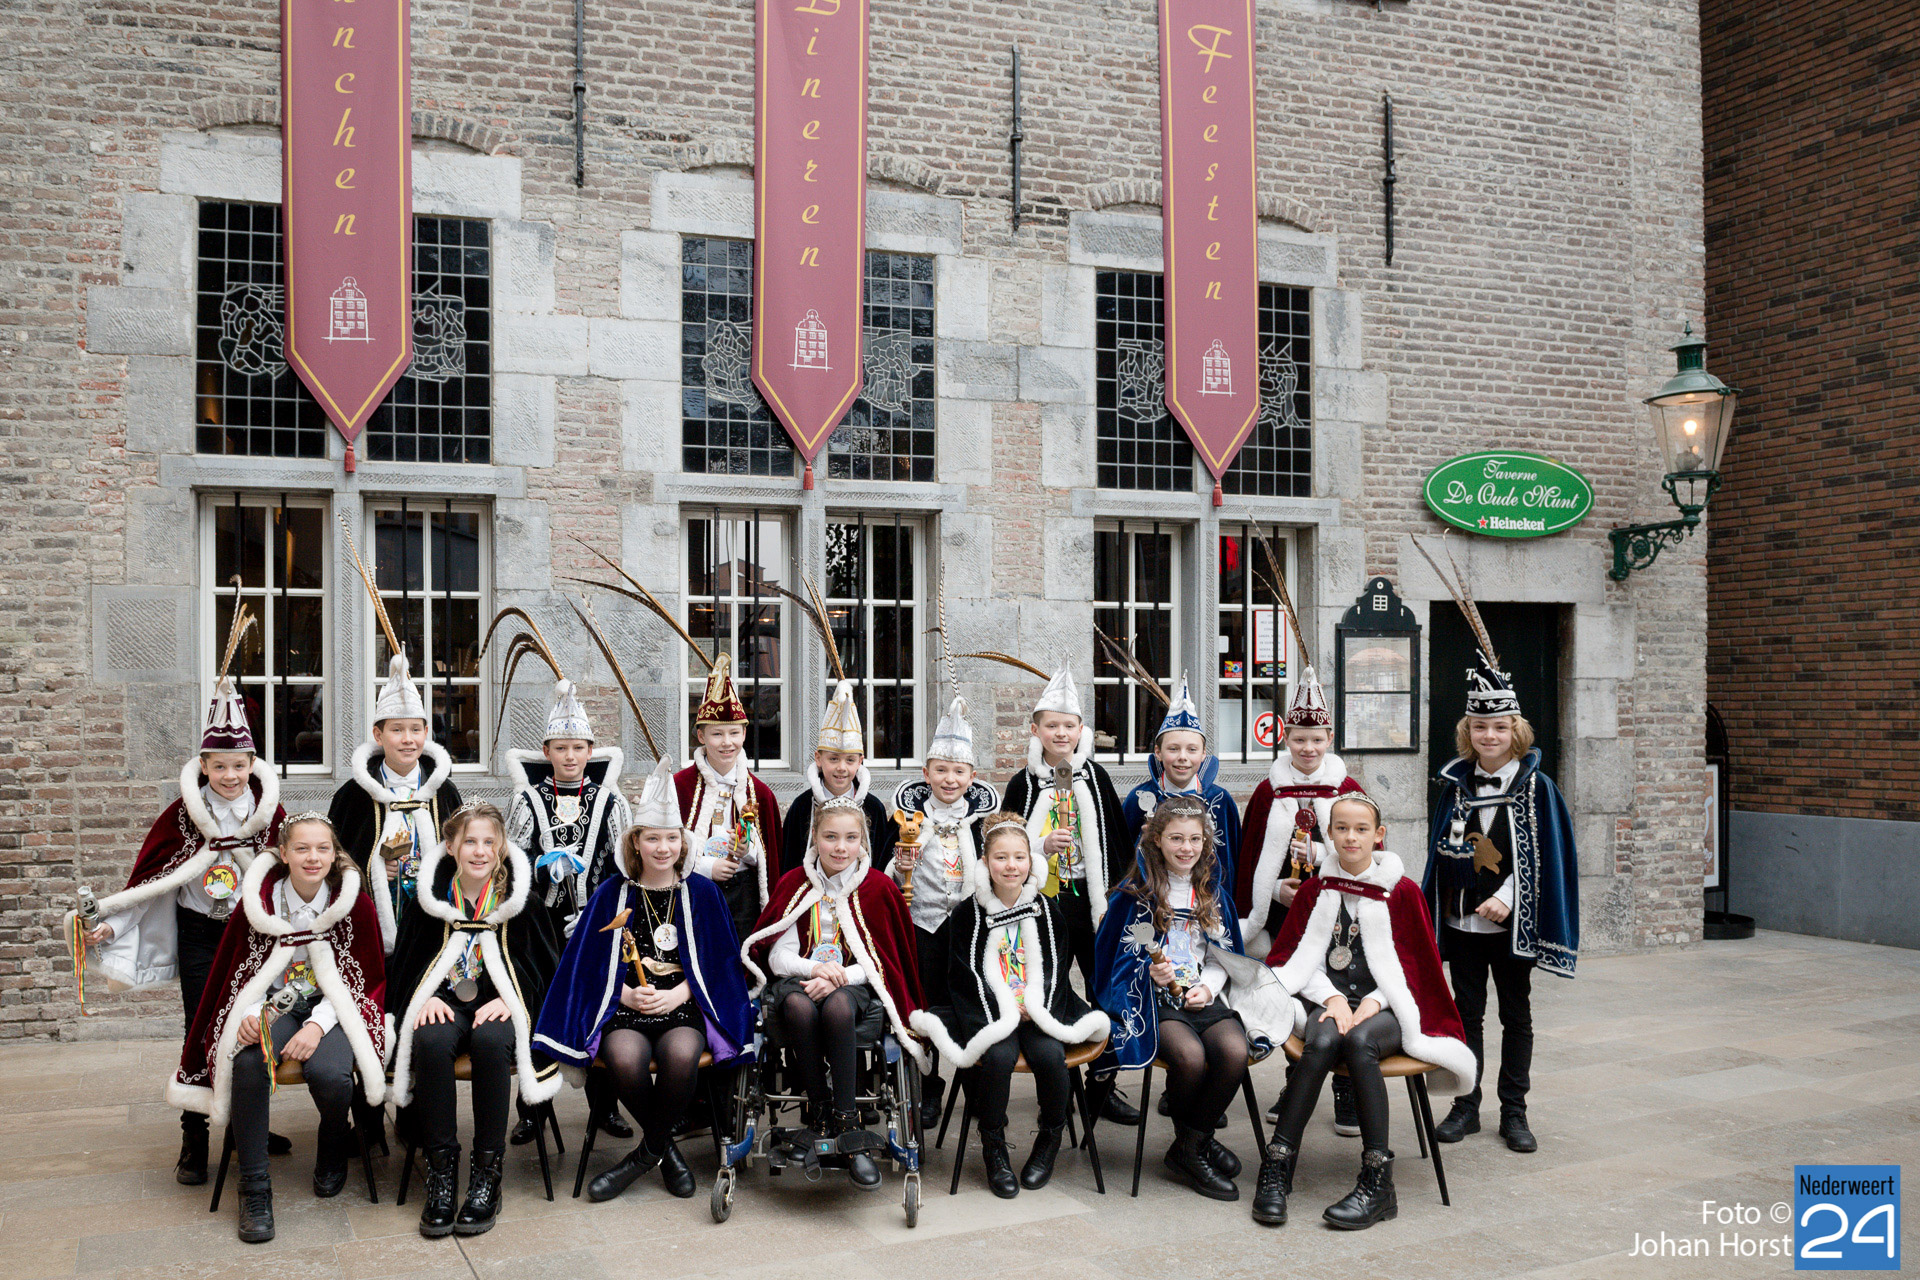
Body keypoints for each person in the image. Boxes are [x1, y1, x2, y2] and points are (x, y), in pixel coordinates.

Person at [74, 665, 286, 1186]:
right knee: (201, 1026)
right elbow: (151, 880)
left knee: (252, 1026)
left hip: (252, 937)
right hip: (200, 935)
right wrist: (111, 928)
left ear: (253, 764)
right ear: (203, 765)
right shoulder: (182, 815)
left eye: (239, 766)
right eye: (220, 767)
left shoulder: (271, 815)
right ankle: (195, 1137)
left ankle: (247, 1129)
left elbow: (291, 879)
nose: (230, 776)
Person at [534, 758, 756, 1202]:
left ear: (683, 842)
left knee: (682, 1055)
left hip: (684, 1006)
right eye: (652, 838)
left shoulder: (703, 893)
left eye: (671, 838)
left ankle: (641, 1158)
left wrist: (680, 994)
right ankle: (665, 1152)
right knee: (623, 1057)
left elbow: (721, 965)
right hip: (626, 1008)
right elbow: (585, 965)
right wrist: (624, 994)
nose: (662, 848)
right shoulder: (611, 893)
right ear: (635, 842)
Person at [1253, 793, 1474, 1229]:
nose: (1350, 837)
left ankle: (1378, 1183)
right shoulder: (1314, 890)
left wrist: (1373, 1001)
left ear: (1379, 835)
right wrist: (1331, 998)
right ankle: (1277, 1166)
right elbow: (1293, 959)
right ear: (1328, 833)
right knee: (1322, 1041)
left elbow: (1416, 967)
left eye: (1361, 829)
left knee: (1359, 1041)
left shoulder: (1403, 892)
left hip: (1388, 1006)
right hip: (1328, 1000)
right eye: (1341, 828)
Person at [169, 813, 388, 1242]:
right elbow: (238, 973)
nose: (313, 858)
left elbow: (364, 980)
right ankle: (254, 1188)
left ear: (335, 854)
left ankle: (333, 1142)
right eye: (302, 848)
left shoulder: (354, 905)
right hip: (274, 1007)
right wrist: (251, 1014)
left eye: (322, 848)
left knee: (330, 1074)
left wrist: (318, 1026)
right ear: (283, 853)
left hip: (333, 1011)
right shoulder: (258, 904)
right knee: (249, 1062)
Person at [1092, 798, 1289, 1202]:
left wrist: (1209, 987)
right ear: (1157, 841)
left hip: (1200, 993)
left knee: (1234, 1052)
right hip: (1152, 1001)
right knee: (1191, 1057)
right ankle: (1196, 1144)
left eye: (1195, 839)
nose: (1186, 848)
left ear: (1205, 842)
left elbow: (1223, 956)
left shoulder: (1212, 894)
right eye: (1176, 838)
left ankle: (1191, 1142)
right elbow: (1117, 959)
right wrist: (1149, 973)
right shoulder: (1134, 896)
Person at [1424, 651, 1579, 1155]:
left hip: (1513, 928)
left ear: (1516, 730)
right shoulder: (1454, 786)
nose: (1489, 736)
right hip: (1463, 925)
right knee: (1466, 1016)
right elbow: (1441, 853)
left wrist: (1509, 897)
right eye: (1480, 727)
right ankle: (1466, 1105)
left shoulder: (1538, 787)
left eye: (1499, 727)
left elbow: (1548, 854)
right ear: (1467, 731)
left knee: (1516, 1016)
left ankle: (1514, 1111)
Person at [387, 802, 562, 1237]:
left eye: (489, 842)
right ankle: (441, 1171)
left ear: (501, 847)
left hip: (498, 1006)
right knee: (429, 1040)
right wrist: (423, 998)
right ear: (450, 847)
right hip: (446, 1002)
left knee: (490, 1043)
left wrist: (514, 998)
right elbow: (406, 967)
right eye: (469, 842)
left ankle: (487, 1171)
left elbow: (546, 970)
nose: (480, 851)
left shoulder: (522, 903)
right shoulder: (428, 903)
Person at [910, 815, 1108, 1198]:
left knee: (1050, 1055)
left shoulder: (1048, 910)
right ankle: (993, 1145)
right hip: (988, 1009)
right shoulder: (967, 913)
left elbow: (1056, 967)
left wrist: (1036, 1002)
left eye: (1019, 857)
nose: (1011, 866)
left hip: (1038, 1009)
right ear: (985, 863)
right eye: (1001, 858)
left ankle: (1050, 1137)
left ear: (1031, 861)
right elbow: (964, 973)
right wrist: (1004, 1006)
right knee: (998, 1057)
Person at [741, 795, 928, 1190]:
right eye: (830, 837)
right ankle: (820, 1112)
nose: (840, 847)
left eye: (850, 838)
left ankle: (847, 1122)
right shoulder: (794, 883)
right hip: (799, 980)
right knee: (798, 1006)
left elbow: (884, 960)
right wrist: (815, 969)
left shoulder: (878, 888)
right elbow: (776, 955)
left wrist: (839, 976)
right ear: (815, 836)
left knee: (838, 1006)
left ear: (863, 841)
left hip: (855, 986)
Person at [1235, 664, 1367, 1136]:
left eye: (1316, 739)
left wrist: (1323, 859)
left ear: (1329, 738)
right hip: (1285, 915)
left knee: (1342, 991)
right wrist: (1275, 890)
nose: (1308, 748)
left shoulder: (1348, 791)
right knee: (1293, 995)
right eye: (1298, 739)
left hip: (1338, 914)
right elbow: (1251, 858)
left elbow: (1367, 856)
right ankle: (1296, 1080)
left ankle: (1347, 1087)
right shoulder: (1267, 793)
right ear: (1285, 739)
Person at [1001, 667, 1136, 1125]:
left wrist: (1118, 902)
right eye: (1051, 725)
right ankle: (1056, 1089)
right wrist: (1040, 845)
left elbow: (1117, 842)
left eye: (1069, 726)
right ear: (1035, 730)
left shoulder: (1096, 778)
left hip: (1094, 906)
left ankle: (1102, 1084)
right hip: (1046, 906)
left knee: (1104, 990)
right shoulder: (1023, 783)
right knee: (1049, 991)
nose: (1060, 733)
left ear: (1081, 731)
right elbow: (1005, 843)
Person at [503, 675, 633, 1146]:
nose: (571, 756)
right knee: (537, 1012)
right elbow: (509, 863)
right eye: (561, 748)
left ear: (590, 751)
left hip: (595, 927)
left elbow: (626, 866)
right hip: (539, 931)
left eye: (578, 748)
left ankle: (606, 1106)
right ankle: (532, 1109)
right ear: (547, 752)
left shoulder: (612, 802)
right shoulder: (526, 800)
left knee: (602, 1010)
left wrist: (599, 910)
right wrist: (539, 870)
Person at [887, 693, 999, 1131]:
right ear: (926, 773)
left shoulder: (982, 824)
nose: (949, 779)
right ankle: (927, 1087)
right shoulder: (909, 821)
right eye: (941, 770)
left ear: (972, 776)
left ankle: (975, 1085)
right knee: (926, 1008)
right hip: (924, 928)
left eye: (958, 771)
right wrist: (900, 865)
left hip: (969, 931)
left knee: (970, 1006)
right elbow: (888, 876)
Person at [328, 651, 463, 953]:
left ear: (426, 733)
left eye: (415, 729)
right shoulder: (353, 795)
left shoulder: (444, 791)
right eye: (397, 730)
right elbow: (334, 856)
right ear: (378, 735)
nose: (407, 739)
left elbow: (462, 853)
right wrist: (370, 869)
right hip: (372, 925)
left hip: (431, 921)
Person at [675, 654, 782, 945]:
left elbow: (772, 858)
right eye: (717, 734)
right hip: (695, 889)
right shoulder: (679, 787)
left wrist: (747, 851)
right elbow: (665, 847)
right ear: (701, 736)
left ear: (744, 733)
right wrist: (706, 867)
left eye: (734, 733)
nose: (727, 742)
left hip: (744, 897)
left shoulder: (761, 793)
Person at [1121, 671, 1242, 892]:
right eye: (1173, 749)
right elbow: (1123, 856)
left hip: (1209, 899)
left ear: (1204, 754)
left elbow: (1233, 858)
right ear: (1158, 752)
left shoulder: (1220, 800)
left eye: (1192, 749)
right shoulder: (1140, 799)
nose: (1182, 757)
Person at [781, 678, 896, 871]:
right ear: (818, 758)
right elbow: (789, 862)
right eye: (833, 759)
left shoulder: (873, 808)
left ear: (860, 761)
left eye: (850, 760)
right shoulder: (801, 807)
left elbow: (881, 864)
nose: (841, 767)